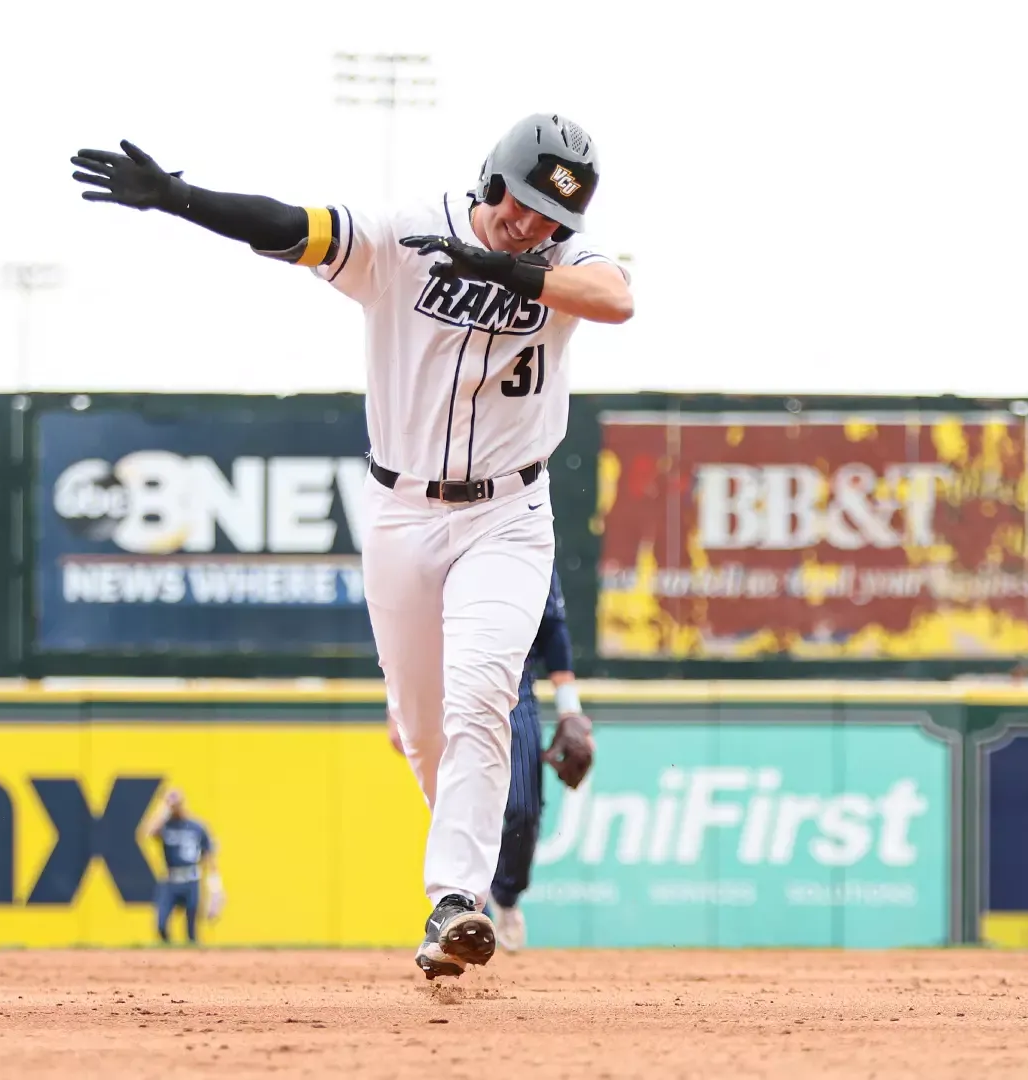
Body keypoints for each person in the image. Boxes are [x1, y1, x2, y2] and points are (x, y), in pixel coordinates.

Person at [72, 112, 633, 978]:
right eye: (521, 203)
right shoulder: (404, 236)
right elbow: (291, 226)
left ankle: (456, 902)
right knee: (422, 729)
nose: (532, 224)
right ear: (491, 178)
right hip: (402, 514)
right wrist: (181, 199)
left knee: (482, 693)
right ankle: (467, 876)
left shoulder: (561, 260)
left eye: (551, 217)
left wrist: (509, 268)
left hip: (510, 515)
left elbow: (616, 298)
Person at [386, 566, 592, 953]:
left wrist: (570, 708)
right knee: (453, 800)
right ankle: (453, 907)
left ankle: (505, 894)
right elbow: (403, 621)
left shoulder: (522, 535)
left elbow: (552, 624)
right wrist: (397, 703)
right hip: (441, 678)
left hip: (510, 680)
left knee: (524, 810)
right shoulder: (429, 537)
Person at [141, 787, 222, 945]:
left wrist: (216, 889)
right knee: (161, 924)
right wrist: (164, 809)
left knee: (191, 931)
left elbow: (209, 857)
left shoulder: (196, 827)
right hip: (170, 880)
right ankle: (169, 952)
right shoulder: (165, 826)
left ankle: (191, 958)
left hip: (191, 880)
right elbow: (148, 832)